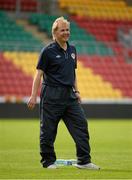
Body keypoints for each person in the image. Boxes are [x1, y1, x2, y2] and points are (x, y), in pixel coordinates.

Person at [27, 16, 100, 170]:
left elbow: (73, 74)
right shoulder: (47, 51)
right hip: (51, 95)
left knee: (81, 126)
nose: (66, 32)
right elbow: (38, 74)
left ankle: (84, 161)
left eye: (67, 30)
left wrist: (77, 90)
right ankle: (48, 162)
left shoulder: (73, 50)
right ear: (55, 33)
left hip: (70, 96)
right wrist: (33, 95)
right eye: (63, 30)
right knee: (48, 130)